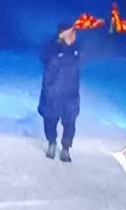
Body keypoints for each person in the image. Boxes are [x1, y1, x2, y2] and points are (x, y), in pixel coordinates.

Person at [38, 22, 81, 162]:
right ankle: (52, 142)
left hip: (70, 94)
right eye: (70, 32)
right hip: (52, 92)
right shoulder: (52, 48)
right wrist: (57, 40)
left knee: (70, 121)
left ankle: (66, 148)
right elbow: (44, 56)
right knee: (50, 119)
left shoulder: (77, 49)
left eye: (74, 32)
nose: (73, 35)